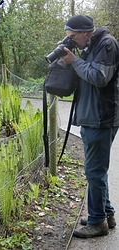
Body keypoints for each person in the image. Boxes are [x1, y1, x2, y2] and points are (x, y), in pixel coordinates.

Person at [61, 15, 119, 238]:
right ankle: (106, 214)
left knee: (94, 171)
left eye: (73, 37)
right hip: (91, 117)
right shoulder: (90, 46)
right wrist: (71, 60)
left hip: (101, 118)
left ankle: (97, 223)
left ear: (85, 32)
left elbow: (98, 77)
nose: (72, 41)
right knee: (96, 171)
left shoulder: (107, 44)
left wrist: (74, 61)